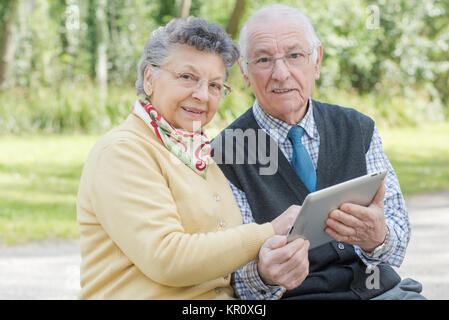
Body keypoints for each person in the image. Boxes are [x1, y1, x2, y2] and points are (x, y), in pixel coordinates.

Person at [76, 16, 302, 299]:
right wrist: (268, 232)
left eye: (215, 86)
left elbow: (222, 260)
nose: (202, 96)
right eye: (187, 77)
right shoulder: (123, 151)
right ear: (150, 78)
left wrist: (267, 266)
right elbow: (167, 259)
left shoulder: (202, 156)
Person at [211, 4, 425, 300]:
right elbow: (234, 276)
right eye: (263, 60)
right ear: (245, 73)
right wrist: (263, 274)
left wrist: (379, 237)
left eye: (295, 55)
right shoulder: (225, 154)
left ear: (317, 62)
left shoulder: (357, 128)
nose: (281, 73)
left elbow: (397, 244)